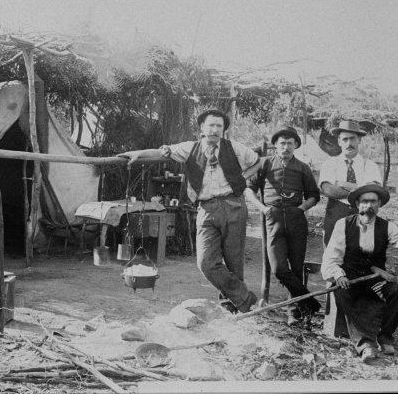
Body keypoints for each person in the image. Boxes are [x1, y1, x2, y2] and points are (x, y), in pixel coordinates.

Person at [118, 109, 261, 313]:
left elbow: (257, 162)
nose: (215, 129)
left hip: (233, 206)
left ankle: (231, 306)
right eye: (211, 125)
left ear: (223, 130)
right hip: (205, 208)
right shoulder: (190, 148)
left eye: (219, 126)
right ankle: (246, 300)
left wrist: (242, 178)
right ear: (202, 127)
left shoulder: (234, 147)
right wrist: (138, 154)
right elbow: (161, 152)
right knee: (206, 263)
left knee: (234, 262)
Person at [321, 184, 398, 363]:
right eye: (365, 201)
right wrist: (339, 275)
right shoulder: (343, 224)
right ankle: (365, 344)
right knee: (340, 291)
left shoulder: (387, 227)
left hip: (374, 279)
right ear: (357, 204)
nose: (369, 205)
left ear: (379, 204)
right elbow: (332, 257)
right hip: (350, 278)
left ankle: (385, 336)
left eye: (373, 201)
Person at [244, 125, 321, 326]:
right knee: (278, 268)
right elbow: (249, 190)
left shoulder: (303, 167)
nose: (285, 147)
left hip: (296, 219)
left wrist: (301, 209)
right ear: (276, 145)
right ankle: (309, 302)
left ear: (295, 145)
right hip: (273, 218)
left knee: (296, 267)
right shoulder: (265, 163)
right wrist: (263, 209)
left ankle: (294, 312)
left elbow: (314, 195)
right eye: (282, 143)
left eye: (289, 143)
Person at [318, 120, 382, 246]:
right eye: (345, 139)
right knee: (333, 254)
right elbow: (328, 190)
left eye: (352, 139)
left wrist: (341, 185)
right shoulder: (330, 164)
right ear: (339, 141)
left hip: (363, 216)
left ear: (359, 140)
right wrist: (360, 190)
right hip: (335, 217)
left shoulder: (370, 165)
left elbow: (373, 191)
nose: (349, 143)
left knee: (360, 253)